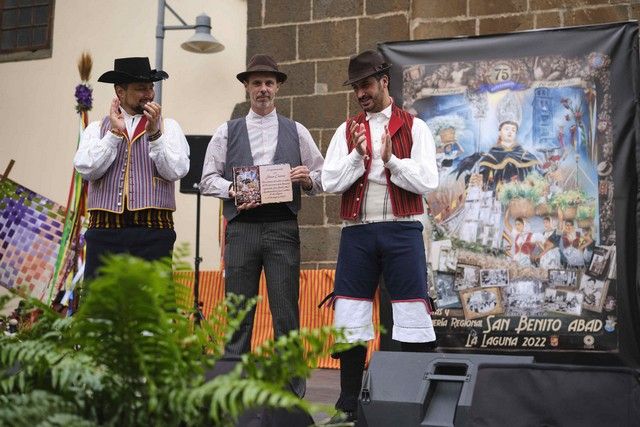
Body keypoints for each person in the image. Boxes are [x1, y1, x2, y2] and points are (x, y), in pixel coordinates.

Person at [322, 50, 438, 422]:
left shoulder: (415, 127)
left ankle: (412, 401)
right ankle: (348, 404)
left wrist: (390, 161)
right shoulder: (346, 130)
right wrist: (358, 157)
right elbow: (329, 181)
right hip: (357, 232)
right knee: (351, 312)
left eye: (367, 85)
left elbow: (427, 182)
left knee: (410, 312)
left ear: (384, 81)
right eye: (356, 87)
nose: (361, 93)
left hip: (403, 230)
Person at [199, 54, 324, 398]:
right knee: (238, 312)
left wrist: (307, 179)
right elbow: (207, 179)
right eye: (256, 83)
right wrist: (232, 189)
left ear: (278, 87)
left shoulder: (297, 130)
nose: (263, 89)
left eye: (269, 83)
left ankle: (291, 393)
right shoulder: (227, 131)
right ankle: (234, 390)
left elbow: (322, 175)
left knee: (286, 312)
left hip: (282, 227)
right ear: (246, 87)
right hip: (241, 229)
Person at [74, 57, 189, 280]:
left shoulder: (169, 127)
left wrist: (155, 135)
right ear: (120, 92)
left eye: (150, 87)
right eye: (140, 88)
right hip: (104, 232)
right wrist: (114, 135)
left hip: (153, 231)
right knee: (102, 308)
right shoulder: (97, 129)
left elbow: (176, 171)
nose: (148, 94)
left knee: (151, 306)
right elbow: (86, 170)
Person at [478, 120, 539, 190]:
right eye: (507, 129)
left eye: (513, 130)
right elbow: (483, 178)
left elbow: (537, 174)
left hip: (521, 194)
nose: (510, 132)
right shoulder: (491, 155)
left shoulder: (524, 154)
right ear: (499, 132)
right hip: (496, 194)